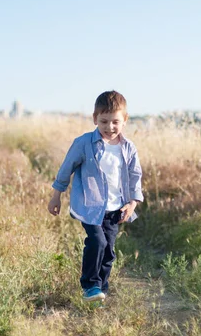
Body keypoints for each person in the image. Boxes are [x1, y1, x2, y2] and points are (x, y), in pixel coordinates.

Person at [47, 90, 143, 302]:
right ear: (95, 119)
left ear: (125, 120)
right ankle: (90, 285)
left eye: (115, 122)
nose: (110, 127)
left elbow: (135, 176)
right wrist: (56, 196)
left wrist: (133, 203)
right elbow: (66, 169)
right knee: (97, 242)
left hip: (115, 208)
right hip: (90, 205)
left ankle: (101, 290)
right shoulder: (83, 143)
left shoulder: (128, 148)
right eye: (104, 121)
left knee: (109, 251)